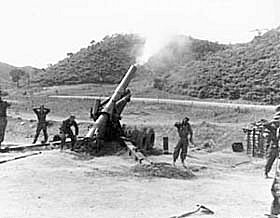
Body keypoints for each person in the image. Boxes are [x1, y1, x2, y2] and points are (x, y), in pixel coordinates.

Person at [265, 112, 280, 178]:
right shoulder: (272, 128)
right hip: (273, 145)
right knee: (270, 160)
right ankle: (266, 172)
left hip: (278, 145)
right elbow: (265, 124)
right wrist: (273, 121)